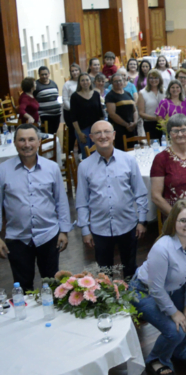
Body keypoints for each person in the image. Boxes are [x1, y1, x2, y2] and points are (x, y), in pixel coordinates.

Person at [129, 200, 186, 375]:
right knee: (175, 329)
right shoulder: (162, 247)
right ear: (173, 221)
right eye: (183, 220)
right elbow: (156, 289)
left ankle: (179, 350)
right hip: (143, 291)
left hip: (171, 289)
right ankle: (156, 359)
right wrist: (174, 312)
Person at [0, 124, 71, 291]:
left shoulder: (51, 168)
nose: (27, 144)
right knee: (23, 286)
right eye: (22, 140)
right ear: (15, 143)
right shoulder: (3, 170)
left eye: (31, 139)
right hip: (17, 238)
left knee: (53, 284)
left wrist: (64, 231)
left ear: (39, 142)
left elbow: (61, 200)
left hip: (48, 235)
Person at [76, 121, 148, 278]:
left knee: (130, 268)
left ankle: (132, 300)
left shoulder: (128, 160)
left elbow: (140, 192)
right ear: (91, 138)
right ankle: (110, 301)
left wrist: (142, 221)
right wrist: (85, 230)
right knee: (104, 273)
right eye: (98, 133)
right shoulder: (84, 166)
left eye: (107, 132)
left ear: (114, 135)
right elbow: (81, 202)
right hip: (99, 228)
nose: (103, 136)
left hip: (127, 224)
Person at [70, 73, 104, 155]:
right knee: (86, 154)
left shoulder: (96, 94)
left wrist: (102, 129)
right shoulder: (74, 96)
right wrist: (79, 133)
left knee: (98, 152)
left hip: (96, 128)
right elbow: (73, 117)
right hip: (82, 130)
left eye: (87, 80)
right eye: (82, 80)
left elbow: (100, 113)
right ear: (79, 83)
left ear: (90, 81)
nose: (85, 82)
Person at [105, 73, 139, 150]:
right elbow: (112, 114)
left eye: (120, 80)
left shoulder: (127, 94)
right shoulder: (110, 96)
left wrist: (135, 122)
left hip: (132, 128)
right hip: (119, 129)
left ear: (123, 81)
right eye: (116, 81)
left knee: (134, 149)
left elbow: (134, 110)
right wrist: (126, 125)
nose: (118, 83)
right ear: (112, 83)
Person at [136, 70, 166, 140]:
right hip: (150, 124)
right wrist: (156, 118)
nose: (153, 80)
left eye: (156, 78)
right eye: (151, 78)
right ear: (148, 79)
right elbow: (141, 113)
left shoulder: (164, 91)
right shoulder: (142, 93)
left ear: (160, 79)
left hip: (164, 123)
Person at [34, 66, 62, 133]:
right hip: (44, 116)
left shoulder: (53, 83)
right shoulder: (35, 85)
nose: (44, 76)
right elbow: (33, 101)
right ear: (39, 75)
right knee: (47, 134)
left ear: (49, 74)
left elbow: (56, 96)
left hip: (56, 115)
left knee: (54, 133)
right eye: (42, 74)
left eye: (46, 74)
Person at [62, 64, 81, 150]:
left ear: (79, 71)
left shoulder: (82, 81)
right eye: (72, 71)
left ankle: (82, 152)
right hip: (69, 112)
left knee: (81, 131)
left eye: (76, 70)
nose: (74, 72)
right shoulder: (67, 84)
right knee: (72, 133)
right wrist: (73, 110)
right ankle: (69, 153)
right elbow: (65, 100)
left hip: (81, 112)